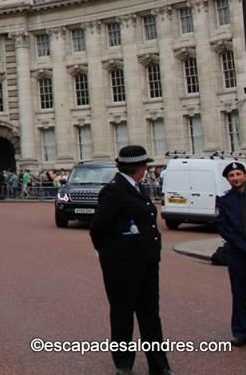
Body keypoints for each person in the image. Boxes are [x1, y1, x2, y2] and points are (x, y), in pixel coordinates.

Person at [90, 145, 172, 375]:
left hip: (146, 261)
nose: (146, 168)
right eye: (144, 164)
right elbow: (98, 229)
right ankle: (124, 365)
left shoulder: (138, 188)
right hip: (122, 264)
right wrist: (108, 255)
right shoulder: (113, 191)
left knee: (150, 315)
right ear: (138, 166)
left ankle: (159, 365)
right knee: (122, 314)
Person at [215, 160, 246, 347]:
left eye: (238, 174)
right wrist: (245, 247)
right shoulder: (223, 200)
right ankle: (240, 333)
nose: (235, 178)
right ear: (228, 179)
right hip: (237, 253)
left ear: (245, 176)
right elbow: (224, 228)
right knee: (238, 295)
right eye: (231, 176)